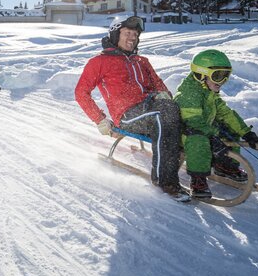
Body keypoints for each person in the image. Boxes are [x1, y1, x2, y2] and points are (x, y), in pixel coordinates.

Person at [75, 16, 189, 201]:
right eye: (127, 33)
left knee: (177, 109)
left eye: (135, 35)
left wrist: (164, 95)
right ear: (114, 34)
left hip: (151, 108)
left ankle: (198, 161)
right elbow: (81, 92)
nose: (132, 38)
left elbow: (160, 86)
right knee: (163, 114)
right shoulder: (99, 62)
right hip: (127, 115)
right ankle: (165, 181)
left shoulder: (141, 61)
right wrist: (100, 119)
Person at [173, 49, 258, 199]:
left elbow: (226, 113)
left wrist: (246, 132)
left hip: (204, 129)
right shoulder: (188, 94)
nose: (222, 81)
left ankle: (225, 166)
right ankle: (198, 180)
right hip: (184, 135)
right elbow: (194, 122)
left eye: (225, 76)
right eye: (218, 76)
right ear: (200, 75)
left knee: (228, 130)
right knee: (199, 140)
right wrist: (213, 136)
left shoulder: (209, 92)